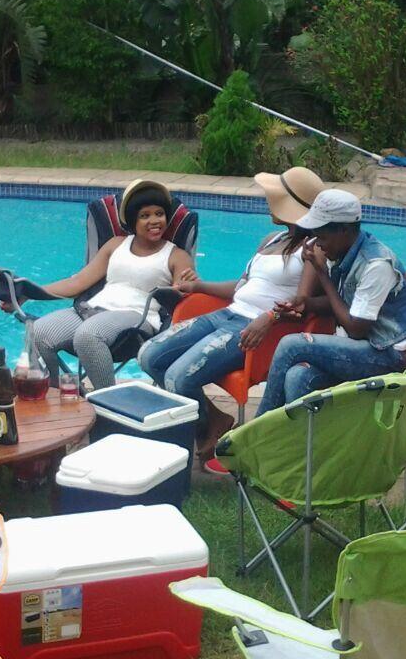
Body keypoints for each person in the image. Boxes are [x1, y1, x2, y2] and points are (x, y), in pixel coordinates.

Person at [139, 167, 324, 461]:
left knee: (178, 377)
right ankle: (213, 419)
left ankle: (200, 432)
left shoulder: (313, 249)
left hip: (257, 329)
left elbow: (302, 303)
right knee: (148, 355)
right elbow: (241, 287)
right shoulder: (272, 239)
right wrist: (197, 286)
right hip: (227, 314)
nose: (268, 202)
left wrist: (270, 317)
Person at [255, 189, 406, 416]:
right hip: (361, 349)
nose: (318, 244)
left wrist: (322, 274)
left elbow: (356, 328)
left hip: (389, 356)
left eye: (322, 237)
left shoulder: (376, 264)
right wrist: (305, 304)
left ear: (344, 230)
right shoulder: (342, 252)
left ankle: (259, 428)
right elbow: (342, 304)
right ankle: (302, 439)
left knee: (291, 345)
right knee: (297, 377)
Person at [33, 179, 196, 391]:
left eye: (159, 214)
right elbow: (78, 283)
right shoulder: (116, 244)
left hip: (137, 319)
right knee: (39, 331)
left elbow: (181, 298)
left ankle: (106, 402)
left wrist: (182, 288)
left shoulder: (176, 255)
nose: (154, 221)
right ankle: (55, 395)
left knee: (88, 335)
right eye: (145, 216)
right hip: (93, 309)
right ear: (133, 220)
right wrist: (29, 292)